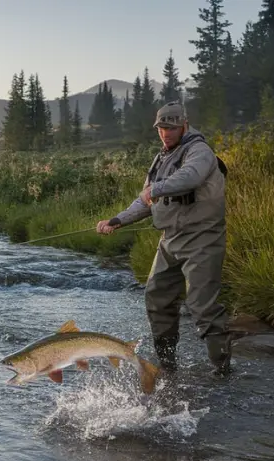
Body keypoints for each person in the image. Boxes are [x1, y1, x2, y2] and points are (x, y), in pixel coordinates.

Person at [96, 101, 232, 378]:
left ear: (184, 124)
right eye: (161, 128)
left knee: (202, 306)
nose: (166, 133)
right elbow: (145, 200)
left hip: (203, 239)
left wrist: (157, 188)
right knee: (156, 298)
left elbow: (190, 178)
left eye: (171, 128)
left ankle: (223, 370)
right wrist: (118, 220)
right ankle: (168, 367)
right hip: (170, 239)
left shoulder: (200, 151)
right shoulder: (162, 158)